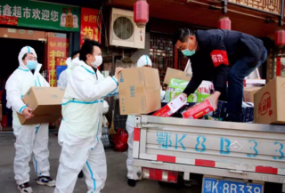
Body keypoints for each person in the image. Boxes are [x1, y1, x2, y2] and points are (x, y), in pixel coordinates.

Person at [54, 39, 122, 193]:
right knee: (68, 173)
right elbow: (91, 92)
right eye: (98, 54)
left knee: (98, 172)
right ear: (89, 56)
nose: (101, 57)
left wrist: (120, 85)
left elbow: (104, 88)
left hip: (92, 133)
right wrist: (113, 80)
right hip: (77, 133)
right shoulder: (79, 72)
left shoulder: (94, 72)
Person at [172, 28, 267, 122]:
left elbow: (222, 67)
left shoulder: (211, 38)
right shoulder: (194, 54)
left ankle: (234, 116)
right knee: (215, 77)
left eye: (183, 47)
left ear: (191, 38)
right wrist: (184, 94)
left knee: (234, 75)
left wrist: (215, 94)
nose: (183, 51)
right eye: (180, 49)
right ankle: (223, 110)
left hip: (252, 51)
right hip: (235, 57)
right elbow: (198, 75)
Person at [5, 46, 55, 193]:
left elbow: (48, 92)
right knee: (24, 149)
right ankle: (22, 180)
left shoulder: (38, 76)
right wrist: (22, 109)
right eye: (29, 58)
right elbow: (12, 96)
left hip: (40, 118)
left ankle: (43, 175)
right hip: (24, 118)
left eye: (34, 58)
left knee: (42, 147)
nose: (33, 60)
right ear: (22, 60)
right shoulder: (16, 76)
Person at [126, 55, 166, 187]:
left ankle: (142, 171)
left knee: (147, 148)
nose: (147, 69)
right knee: (133, 147)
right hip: (134, 118)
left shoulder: (154, 80)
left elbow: (160, 95)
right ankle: (132, 174)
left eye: (149, 67)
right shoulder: (131, 79)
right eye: (145, 67)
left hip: (148, 118)